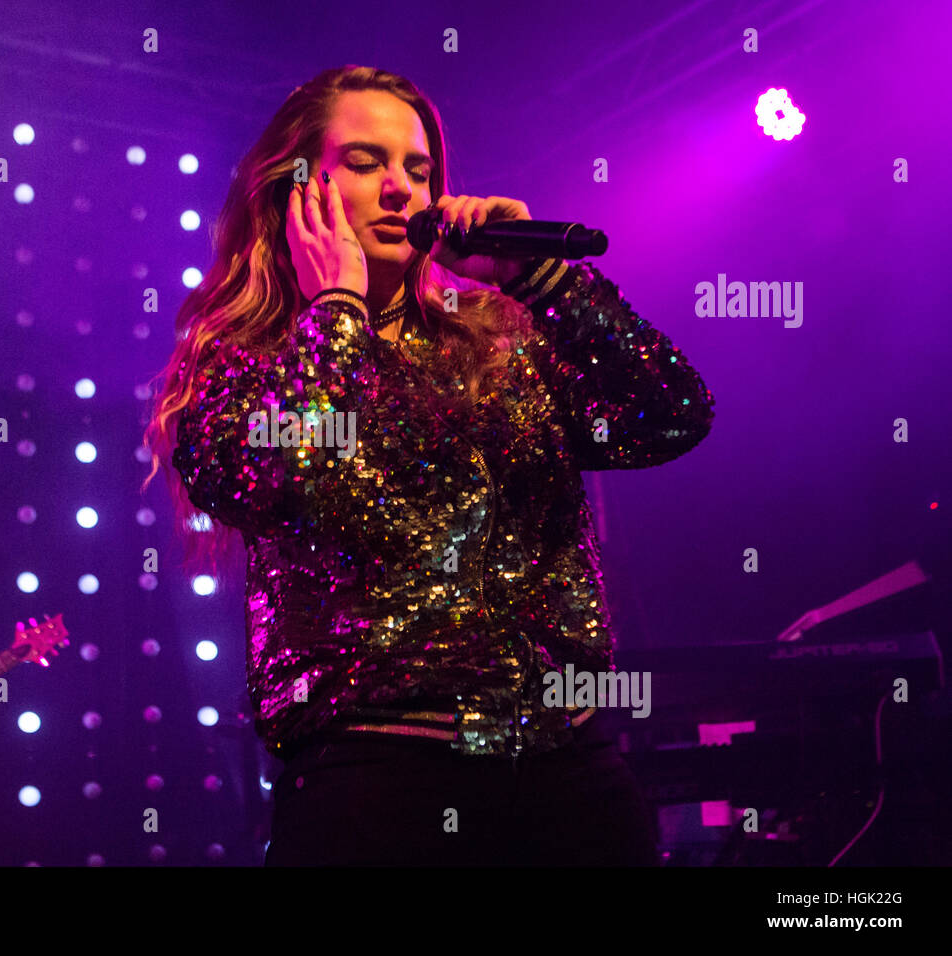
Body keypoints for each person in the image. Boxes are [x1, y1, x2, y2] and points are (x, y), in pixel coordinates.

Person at [144, 66, 716, 865]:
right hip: (379, 781)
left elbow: (671, 416)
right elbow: (287, 471)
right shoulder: (245, 358)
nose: (398, 190)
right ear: (299, 187)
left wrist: (541, 281)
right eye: (367, 162)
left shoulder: (497, 333)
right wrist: (335, 311)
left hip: (569, 766)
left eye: (417, 169)